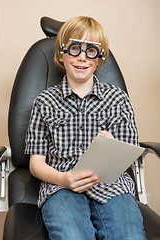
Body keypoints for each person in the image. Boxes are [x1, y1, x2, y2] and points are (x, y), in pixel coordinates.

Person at [25, 16, 146, 239]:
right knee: (72, 235)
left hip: (112, 186)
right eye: (74, 48)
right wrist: (63, 179)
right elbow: (36, 163)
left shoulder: (117, 99)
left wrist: (112, 146)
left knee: (129, 234)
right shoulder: (44, 102)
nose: (82, 57)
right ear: (61, 54)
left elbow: (129, 152)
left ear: (99, 59)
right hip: (60, 186)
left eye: (91, 50)